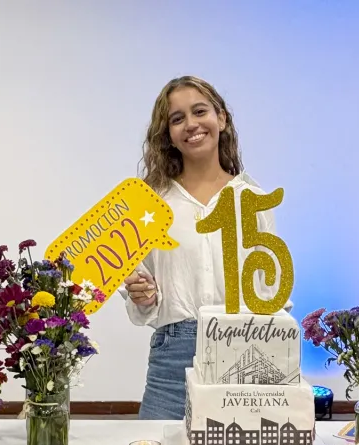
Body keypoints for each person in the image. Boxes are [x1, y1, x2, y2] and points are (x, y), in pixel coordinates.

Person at [121, 75, 290, 420]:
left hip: (245, 347)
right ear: (168, 134)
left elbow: (272, 293)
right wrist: (142, 296)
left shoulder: (254, 199)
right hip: (173, 360)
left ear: (221, 119)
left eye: (200, 111)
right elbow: (143, 301)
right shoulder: (150, 204)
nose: (191, 124)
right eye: (177, 118)